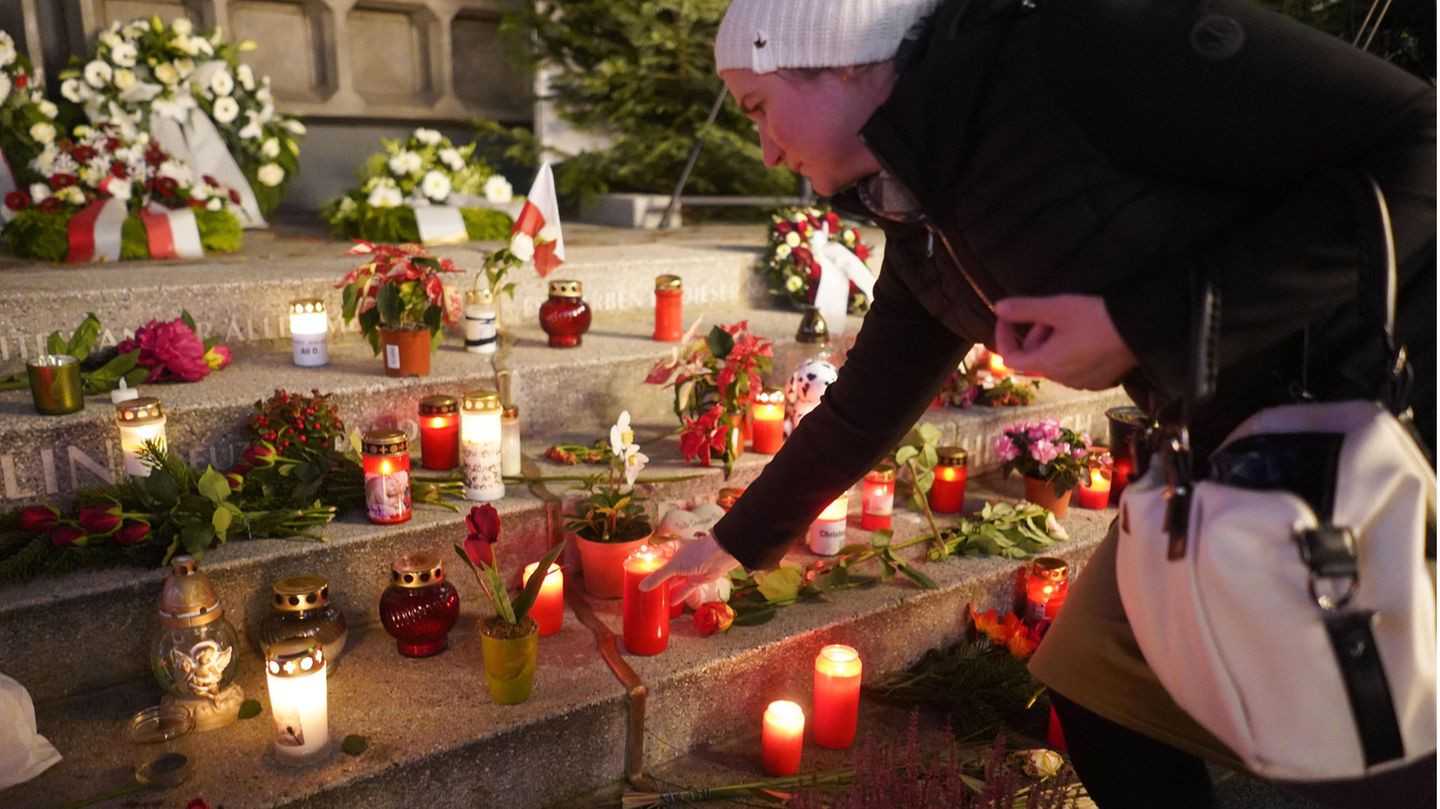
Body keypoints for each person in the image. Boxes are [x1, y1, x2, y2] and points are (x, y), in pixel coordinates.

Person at [639, 0, 1436, 806]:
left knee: (1374, 737)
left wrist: (1144, 325)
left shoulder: (1078, 46)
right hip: (1224, 446)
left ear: (839, 59)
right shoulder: (920, 211)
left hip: (1376, 418)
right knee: (1096, 680)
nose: (767, 151)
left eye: (759, 108)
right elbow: (868, 402)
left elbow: (1420, 137)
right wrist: (733, 540)